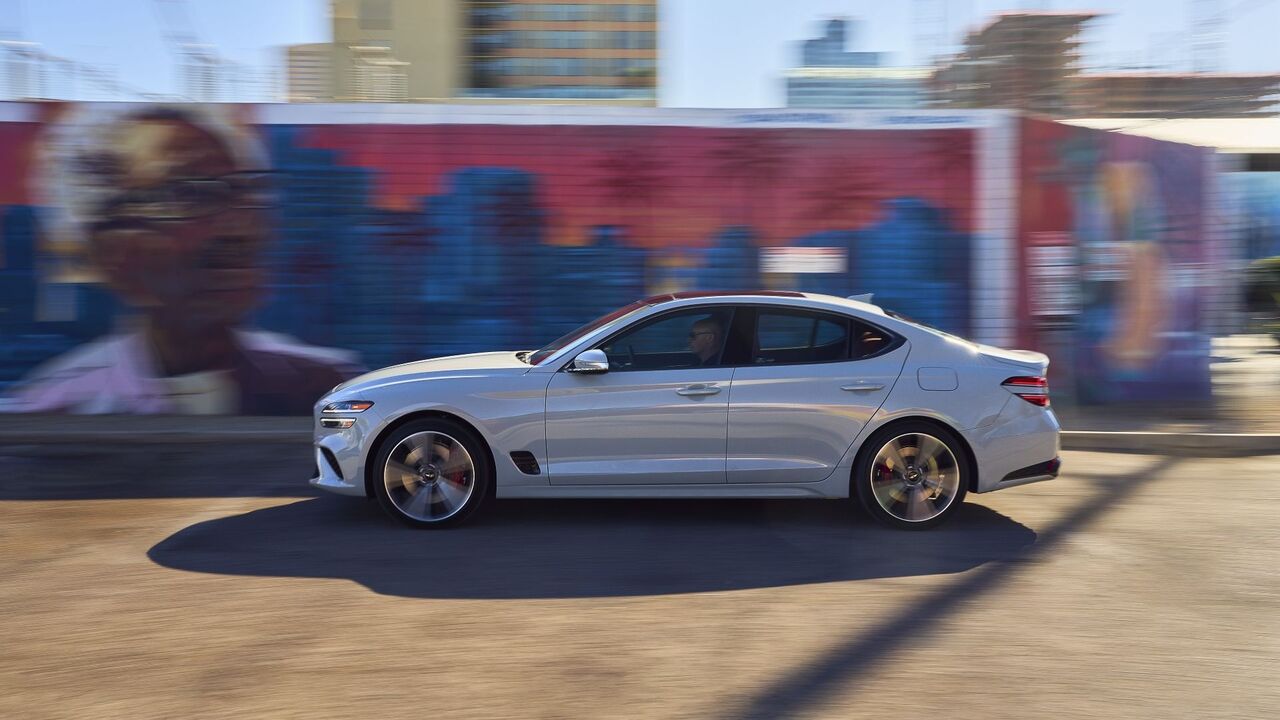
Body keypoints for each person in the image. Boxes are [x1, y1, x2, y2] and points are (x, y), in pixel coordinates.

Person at [4, 104, 361, 414]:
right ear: (109, 250)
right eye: (189, 195)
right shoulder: (57, 410)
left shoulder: (326, 385)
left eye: (244, 190)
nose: (240, 228)